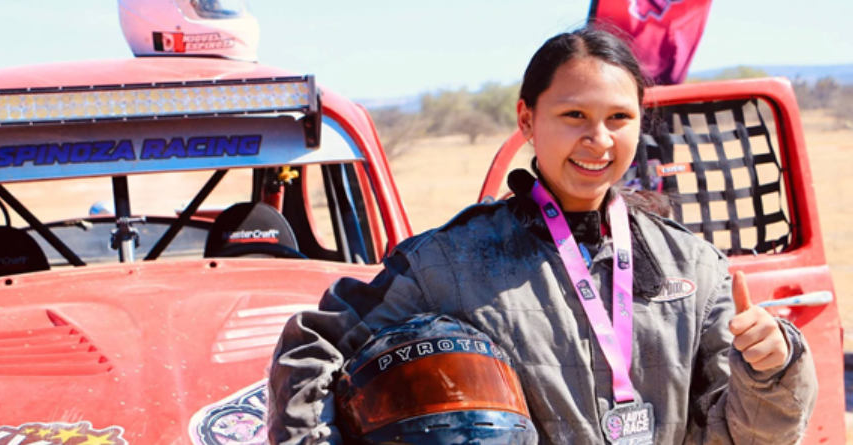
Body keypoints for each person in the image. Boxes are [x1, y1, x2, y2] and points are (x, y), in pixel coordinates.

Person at [267, 27, 817, 444]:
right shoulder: (449, 261)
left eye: (619, 118)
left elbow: (743, 435)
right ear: (527, 120)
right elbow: (316, 346)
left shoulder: (694, 265)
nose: (598, 140)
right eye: (574, 114)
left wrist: (772, 370)